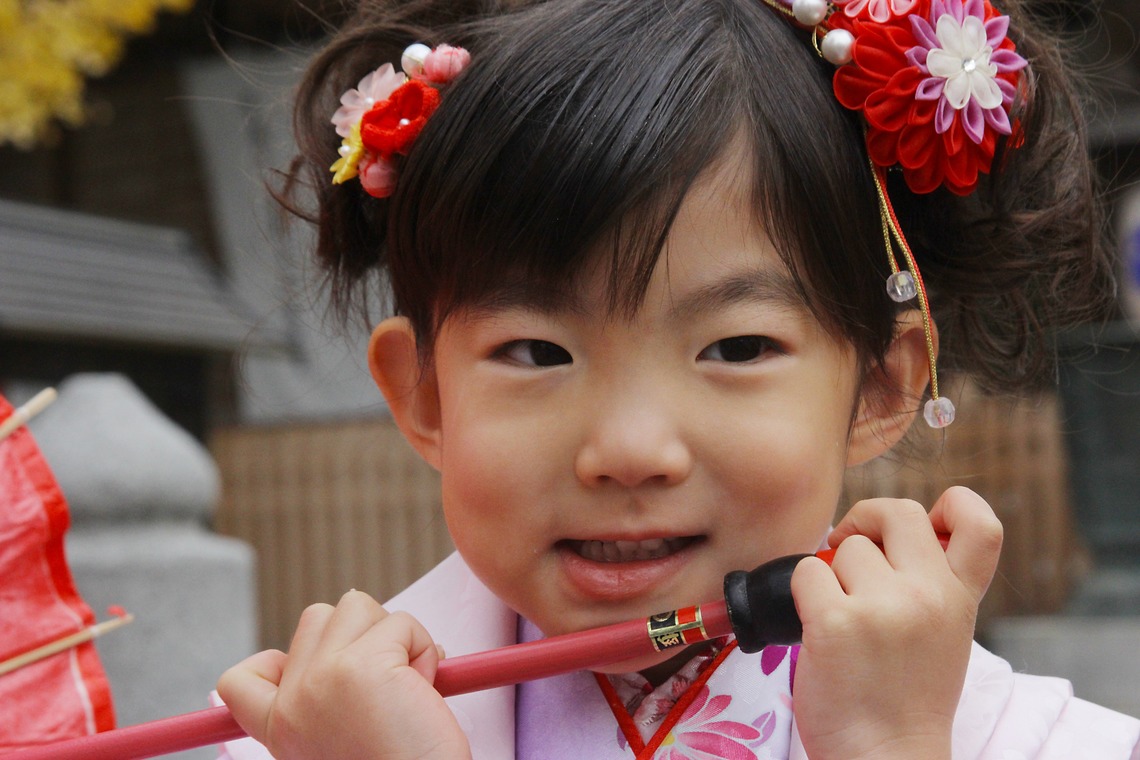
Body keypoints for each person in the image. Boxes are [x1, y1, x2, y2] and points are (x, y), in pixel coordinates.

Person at [216, 0, 1140, 757]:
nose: (630, 451)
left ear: (879, 387)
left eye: (736, 348)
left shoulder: (1034, 743)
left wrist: (886, 743)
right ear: (424, 395)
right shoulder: (311, 738)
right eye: (537, 352)